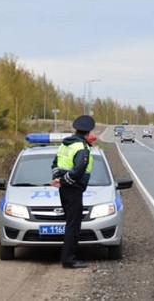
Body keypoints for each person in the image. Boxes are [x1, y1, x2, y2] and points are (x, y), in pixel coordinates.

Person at [50, 115, 96, 268]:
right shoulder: (81, 148)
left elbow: (55, 164)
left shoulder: (65, 144)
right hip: (73, 189)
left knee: (71, 222)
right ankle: (69, 259)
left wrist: (58, 179)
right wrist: (64, 182)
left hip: (64, 189)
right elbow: (78, 170)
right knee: (73, 225)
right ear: (88, 133)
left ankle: (68, 256)